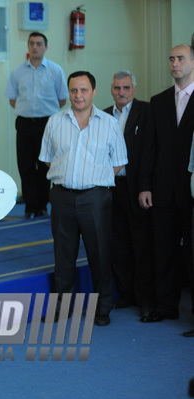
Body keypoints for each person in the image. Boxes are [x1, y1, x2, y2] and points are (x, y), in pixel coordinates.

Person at [39, 71, 128, 327]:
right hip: (62, 197)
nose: (78, 95)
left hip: (96, 199)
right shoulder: (55, 121)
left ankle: (102, 308)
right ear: (68, 93)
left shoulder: (109, 123)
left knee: (99, 255)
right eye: (74, 90)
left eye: (83, 90)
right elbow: (48, 158)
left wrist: (93, 181)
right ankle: (62, 308)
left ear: (94, 92)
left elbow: (118, 163)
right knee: (63, 256)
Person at [139, 45, 194, 327]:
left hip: (192, 191)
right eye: (171, 58)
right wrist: (144, 186)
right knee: (163, 251)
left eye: (180, 58)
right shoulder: (158, 101)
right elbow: (149, 147)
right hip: (161, 191)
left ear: (192, 63)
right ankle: (166, 307)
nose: (174, 63)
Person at [102, 71, 156, 321]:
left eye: (125, 87)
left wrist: (146, 186)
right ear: (111, 90)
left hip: (137, 189)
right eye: (116, 88)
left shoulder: (147, 112)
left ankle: (146, 301)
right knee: (118, 244)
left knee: (141, 245)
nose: (121, 92)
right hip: (111, 188)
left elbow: (149, 153)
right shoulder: (101, 115)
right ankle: (125, 294)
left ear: (134, 89)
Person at [6, 32, 68, 219]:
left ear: (45, 47)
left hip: (47, 123)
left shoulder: (56, 71)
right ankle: (30, 207)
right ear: (28, 46)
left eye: (39, 44)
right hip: (24, 123)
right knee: (25, 166)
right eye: (32, 43)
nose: (35, 47)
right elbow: (12, 99)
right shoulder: (17, 72)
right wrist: (29, 113)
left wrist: (42, 113)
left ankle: (42, 205)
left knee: (44, 166)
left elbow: (62, 99)